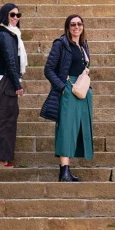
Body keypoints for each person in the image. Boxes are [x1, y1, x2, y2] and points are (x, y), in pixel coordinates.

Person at [42, 14, 93, 182]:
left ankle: (67, 171)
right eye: (72, 24)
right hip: (69, 90)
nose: (76, 27)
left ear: (83, 26)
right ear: (67, 27)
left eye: (79, 24)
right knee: (66, 129)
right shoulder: (61, 44)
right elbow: (48, 69)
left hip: (82, 91)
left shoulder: (83, 45)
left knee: (76, 129)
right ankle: (64, 171)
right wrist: (62, 87)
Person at [0, 3, 26, 168]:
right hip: (5, 80)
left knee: (7, 114)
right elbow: (10, 61)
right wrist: (17, 84)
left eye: (18, 15)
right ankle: (0, 160)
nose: (16, 18)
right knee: (6, 119)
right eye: (12, 15)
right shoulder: (5, 35)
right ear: (4, 15)